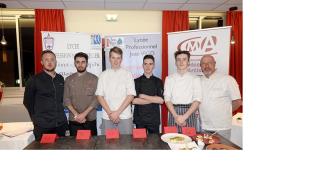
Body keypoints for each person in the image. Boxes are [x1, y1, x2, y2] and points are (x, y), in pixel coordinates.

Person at [23, 50, 68, 141]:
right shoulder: (34, 80)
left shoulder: (60, 78)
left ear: (56, 62)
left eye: (52, 59)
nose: (50, 62)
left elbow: (61, 99)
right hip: (43, 125)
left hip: (60, 124)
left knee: (62, 150)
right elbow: (27, 102)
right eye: (46, 60)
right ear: (42, 62)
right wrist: (35, 119)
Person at [199, 54, 242, 140]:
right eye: (203, 63)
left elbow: (237, 102)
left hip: (222, 128)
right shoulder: (199, 81)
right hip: (204, 127)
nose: (206, 66)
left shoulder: (228, 79)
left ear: (214, 64)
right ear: (200, 66)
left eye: (209, 63)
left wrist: (224, 112)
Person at [95, 47, 136, 134]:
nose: (116, 61)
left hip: (125, 116)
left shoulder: (128, 74)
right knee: (107, 145)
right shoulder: (103, 75)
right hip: (107, 116)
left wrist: (117, 113)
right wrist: (111, 114)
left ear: (121, 59)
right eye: (113, 58)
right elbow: (99, 96)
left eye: (118, 58)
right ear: (109, 58)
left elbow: (131, 95)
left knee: (126, 144)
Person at [164, 50, 202, 133]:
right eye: (178, 59)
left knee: (190, 141)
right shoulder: (169, 78)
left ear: (188, 62)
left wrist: (184, 117)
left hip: (189, 112)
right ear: (175, 62)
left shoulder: (195, 78)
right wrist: (176, 116)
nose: (181, 62)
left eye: (184, 59)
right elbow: (167, 98)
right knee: (172, 139)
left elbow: (197, 99)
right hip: (173, 112)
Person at [63, 52, 99, 136]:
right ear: (74, 63)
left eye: (83, 62)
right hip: (74, 119)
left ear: (87, 63)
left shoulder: (94, 79)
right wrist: (77, 115)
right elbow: (66, 99)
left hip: (90, 119)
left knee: (91, 145)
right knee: (75, 146)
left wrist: (84, 114)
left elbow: (96, 99)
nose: (80, 64)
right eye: (78, 62)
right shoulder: (68, 79)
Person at [132, 55, 164, 134]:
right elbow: (134, 101)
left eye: (150, 64)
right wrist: (154, 99)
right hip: (139, 119)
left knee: (154, 144)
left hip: (154, 120)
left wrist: (143, 96)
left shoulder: (158, 81)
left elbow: (161, 100)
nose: (148, 66)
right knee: (139, 144)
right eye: (145, 64)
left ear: (154, 65)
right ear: (142, 65)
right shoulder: (136, 81)